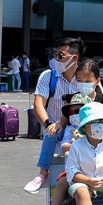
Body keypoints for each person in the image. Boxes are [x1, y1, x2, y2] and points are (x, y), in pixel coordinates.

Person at [23, 37, 83, 193]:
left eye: (60, 55)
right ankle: (43, 174)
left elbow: (100, 102)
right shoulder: (48, 76)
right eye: (55, 54)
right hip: (57, 128)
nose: (56, 59)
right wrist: (48, 124)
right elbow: (38, 104)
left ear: (74, 58)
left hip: (82, 129)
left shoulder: (85, 77)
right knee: (52, 134)